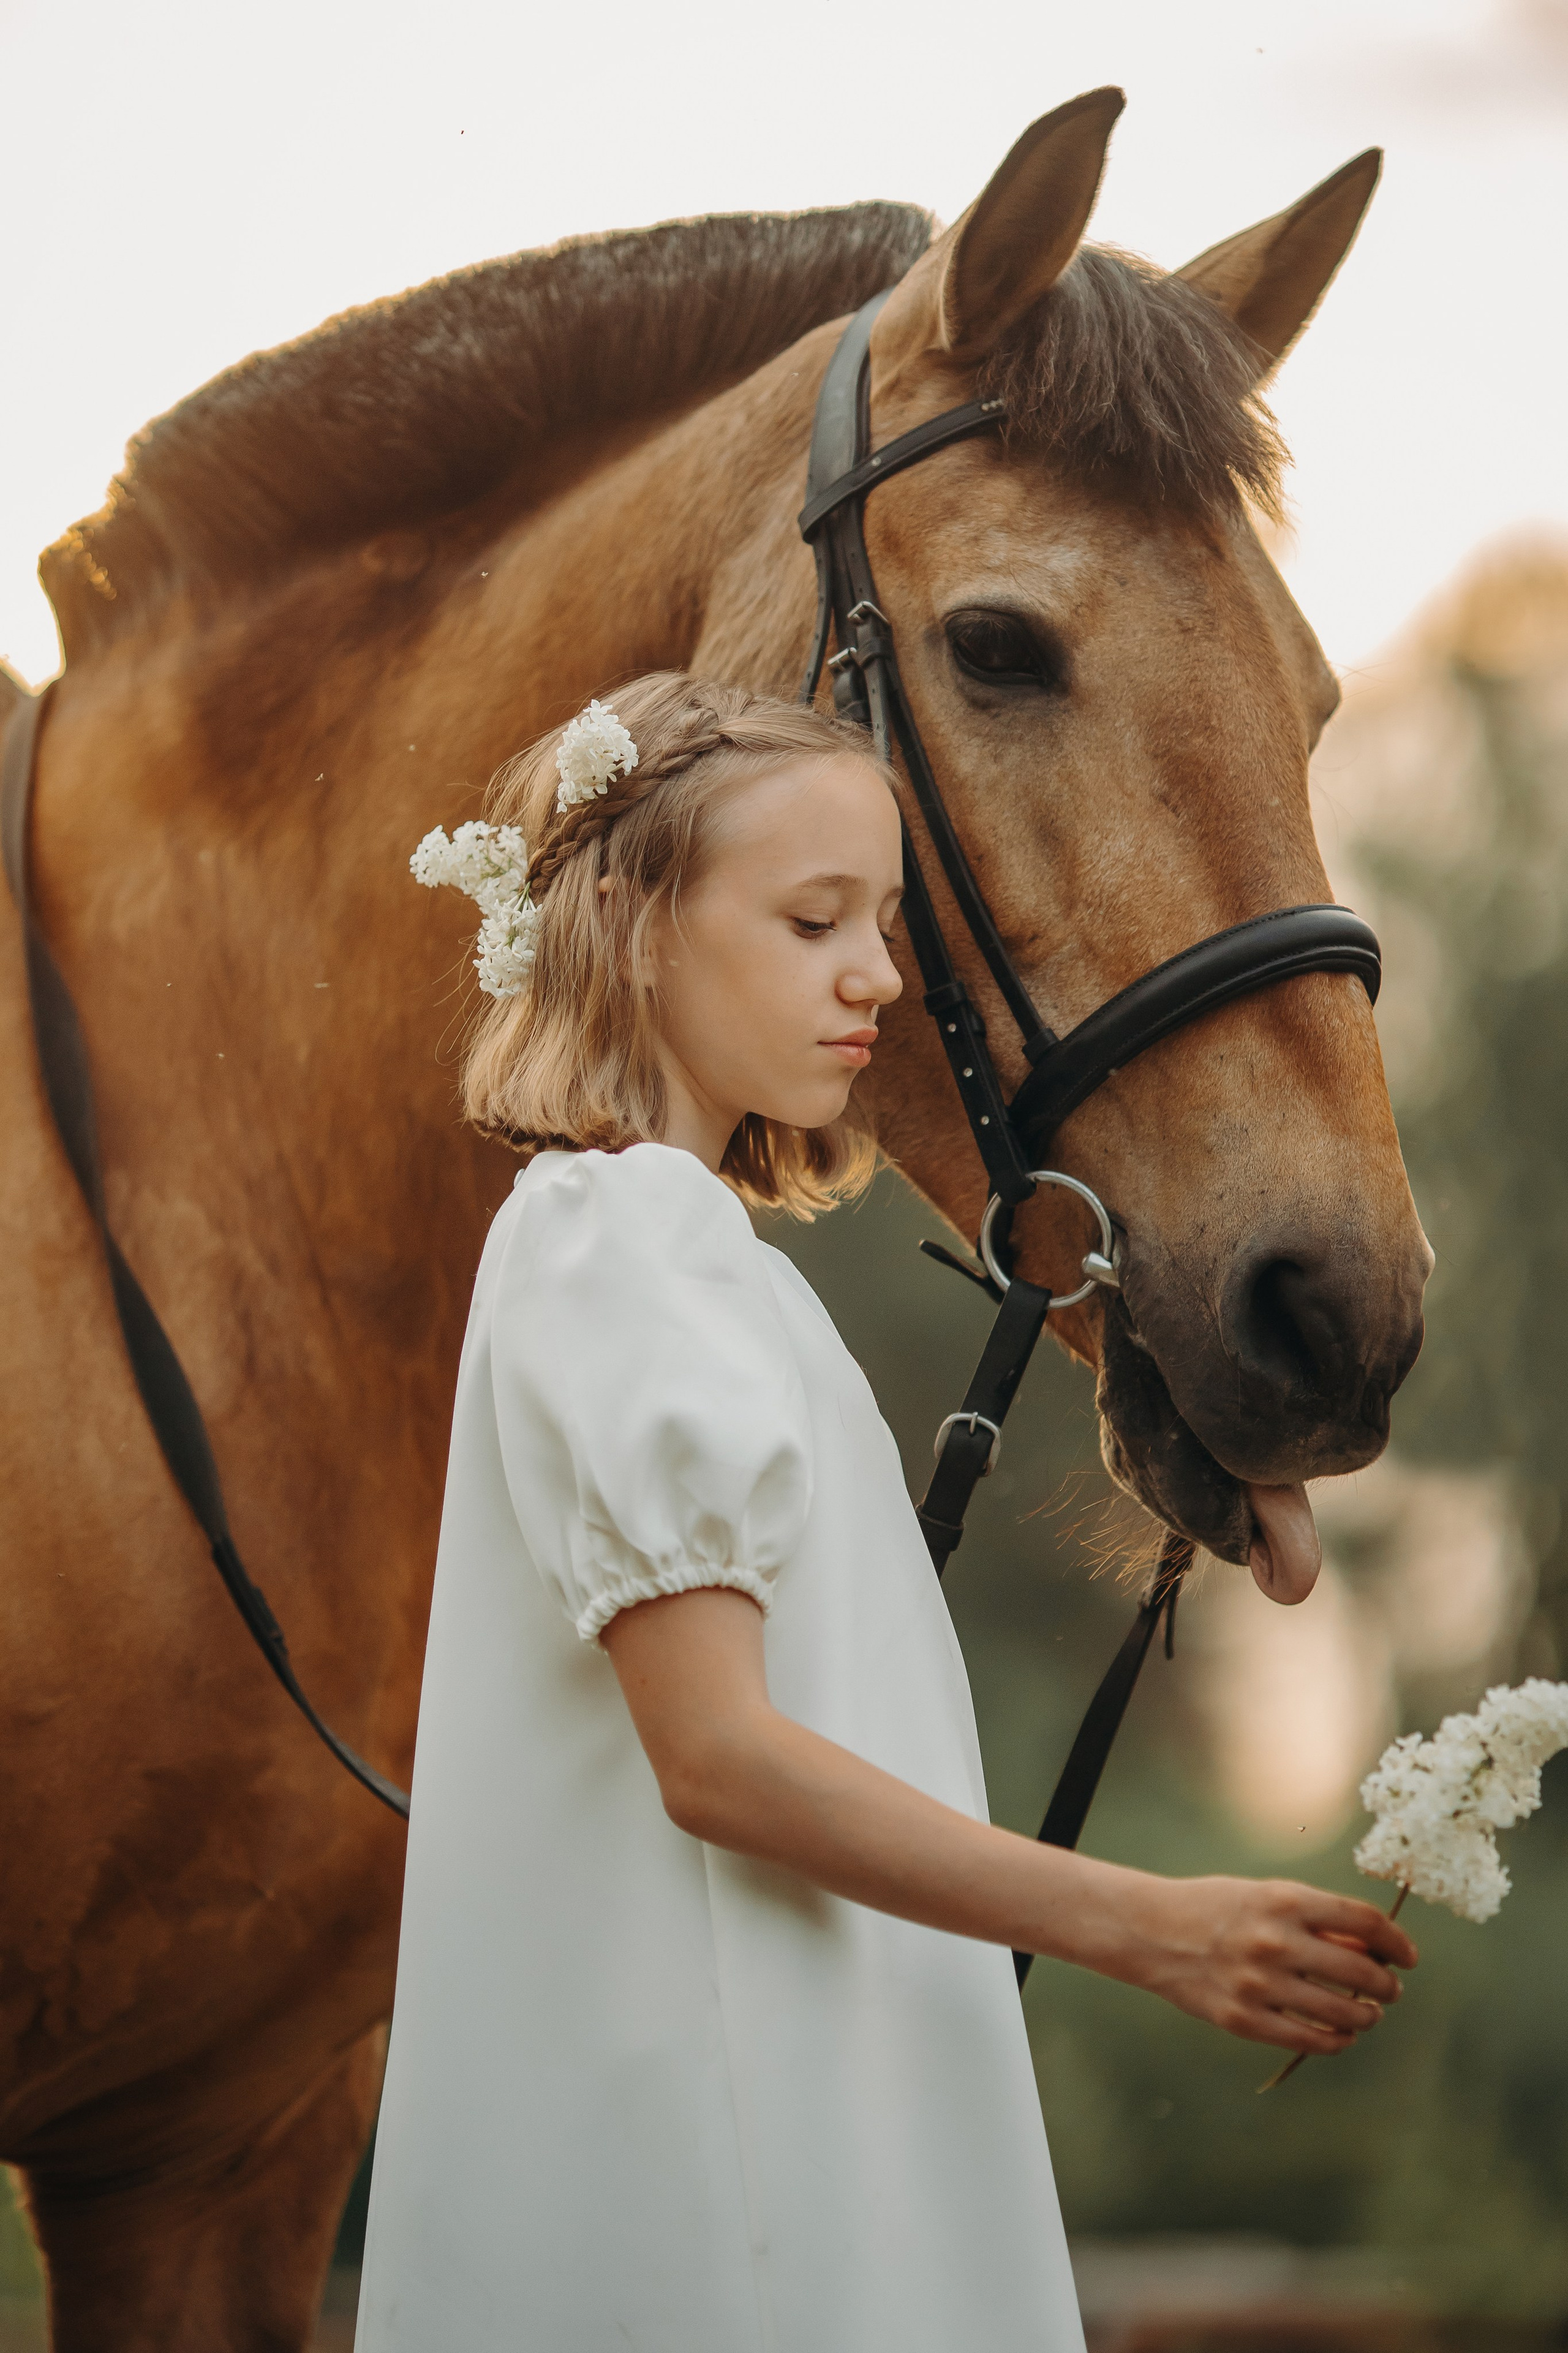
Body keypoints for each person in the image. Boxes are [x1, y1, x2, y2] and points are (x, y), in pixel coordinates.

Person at [357, 673, 1416, 2352]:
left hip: (794, 2097)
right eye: (814, 920)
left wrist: (1221, 1455)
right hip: (739, 2172)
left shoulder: (680, 1252)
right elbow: (717, 1756)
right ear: (634, 931)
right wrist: (1156, 1924)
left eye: (885, 920)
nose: (882, 974)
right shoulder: (622, 1238)